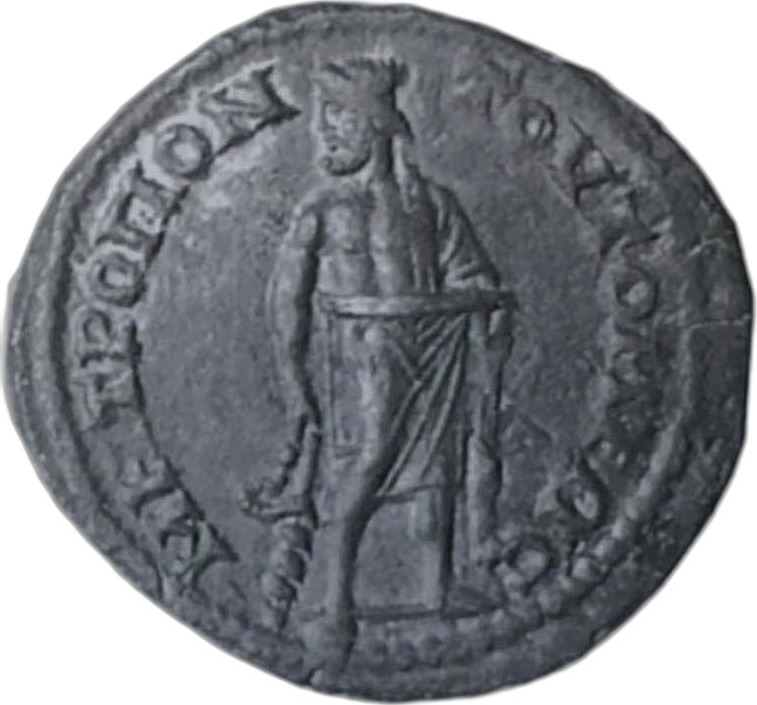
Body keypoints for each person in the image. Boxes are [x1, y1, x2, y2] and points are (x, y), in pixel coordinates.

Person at [265, 56, 514, 665]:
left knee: (437, 469)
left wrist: (480, 299)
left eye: (340, 116)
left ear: (376, 125)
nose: (325, 130)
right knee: (368, 459)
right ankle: (334, 600)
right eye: (323, 116)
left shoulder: (431, 205)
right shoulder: (323, 209)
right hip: (362, 355)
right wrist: (294, 385)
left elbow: (469, 270)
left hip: (433, 347)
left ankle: (436, 591)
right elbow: (286, 303)